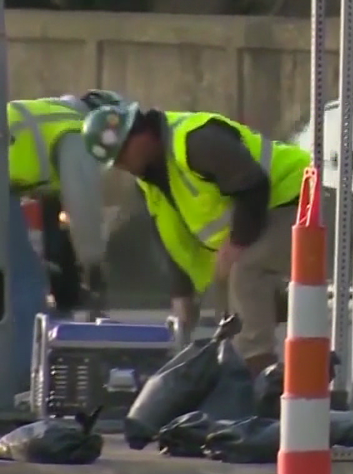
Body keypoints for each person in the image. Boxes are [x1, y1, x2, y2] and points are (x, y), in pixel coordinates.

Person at [80, 102, 310, 375]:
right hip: (267, 215)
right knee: (230, 301)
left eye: (121, 156)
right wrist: (182, 295)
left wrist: (236, 243)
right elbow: (170, 240)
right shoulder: (150, 181)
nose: (122, 166)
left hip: (305, 199)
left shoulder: (195, 141)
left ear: (140, 134)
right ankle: (238, 370)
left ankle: (258, 374)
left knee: (245, 268)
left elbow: (254, 185)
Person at [10, 89, 127, 313]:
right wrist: (93, 267)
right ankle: (24, 347)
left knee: (18, 270)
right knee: (26, 280)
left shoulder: (50, 115)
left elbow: (53, 208)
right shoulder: (76, 131)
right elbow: (83, 209)